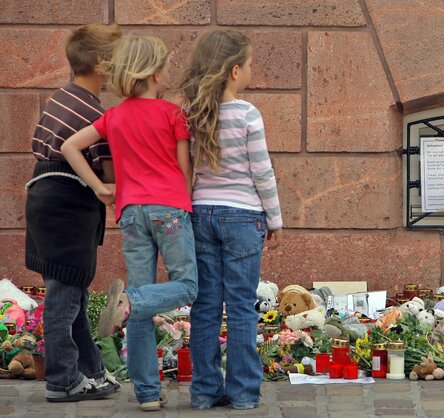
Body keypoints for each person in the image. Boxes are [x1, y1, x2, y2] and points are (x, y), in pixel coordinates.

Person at [61, 34, 198, 412]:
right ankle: (129, 301)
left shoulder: (114, 115)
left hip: (130, 212)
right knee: (187, 286)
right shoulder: (174, 115)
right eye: (167, 65)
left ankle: (148, 394)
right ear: (155, 73)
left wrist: (101, 188)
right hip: (169, 208)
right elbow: (185, 171)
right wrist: (185, 204)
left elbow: (69, 146)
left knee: (140, 304)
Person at [179, 30, 282, 410]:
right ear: (235, 70)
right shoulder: (248, 114)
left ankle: (205, 391)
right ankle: (242, 393)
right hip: (243, 217)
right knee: (240, 306)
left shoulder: (194, 114)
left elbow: (186, 169)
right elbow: (262, 172)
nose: (252, 71)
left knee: (205, 305)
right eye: (250, 65)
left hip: (202, 213)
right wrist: (275, 218)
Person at [24, 23, 122, 402]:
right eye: (118, 59)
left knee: (72, 292)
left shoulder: (62, 97)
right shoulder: (93, 114)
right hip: (69, 206)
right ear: (101, 63)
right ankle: (63, 379)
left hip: (46, 199)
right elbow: (110, 174)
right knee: (64, 297)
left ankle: (91, 370)